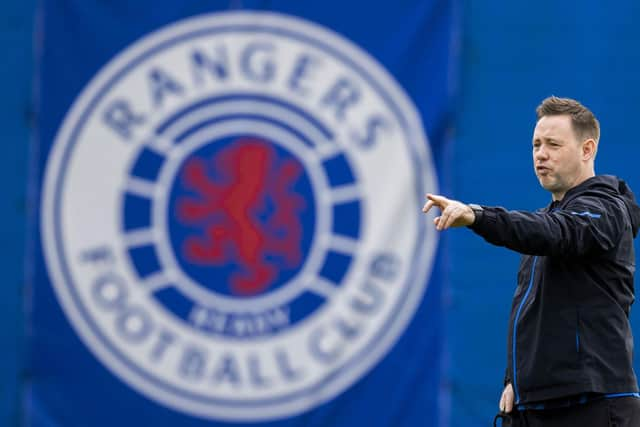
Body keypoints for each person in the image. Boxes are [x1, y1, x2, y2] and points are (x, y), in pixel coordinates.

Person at [422, 96, 640, 426]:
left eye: (553, 144)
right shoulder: (547, 219)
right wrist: (514, 380)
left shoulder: (607, 209)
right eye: (536, 144)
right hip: (537, 404)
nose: (541, 153)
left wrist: (478, 216)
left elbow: (556, 232)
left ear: (587, 149)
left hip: (594, 404)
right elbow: (530, 310)